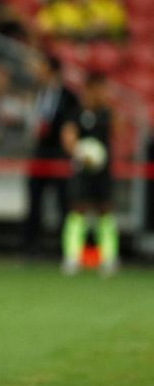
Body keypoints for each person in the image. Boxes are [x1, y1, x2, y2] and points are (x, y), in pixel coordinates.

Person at [61, 73, 118, 276]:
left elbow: (119, 134)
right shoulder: (75, 114)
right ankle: (72, 257)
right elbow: (68, 137)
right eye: (99, 89)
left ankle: (109, 258)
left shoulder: (108, 114)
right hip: (82, 169)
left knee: (105, 211)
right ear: (89, 90)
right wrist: (79, 151)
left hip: (103, 171)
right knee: (78, 211)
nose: (103, 94)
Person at [24, 54, 79, 256]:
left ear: (52, 70)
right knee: (34, 198)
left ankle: (65, 248)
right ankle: (30, 246)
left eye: (42, 67)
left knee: (63, 200)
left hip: (59, 153)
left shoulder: (69, 96)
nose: (38, 72)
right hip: (40, 152)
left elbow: (72, 123)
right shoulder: (37, 93)